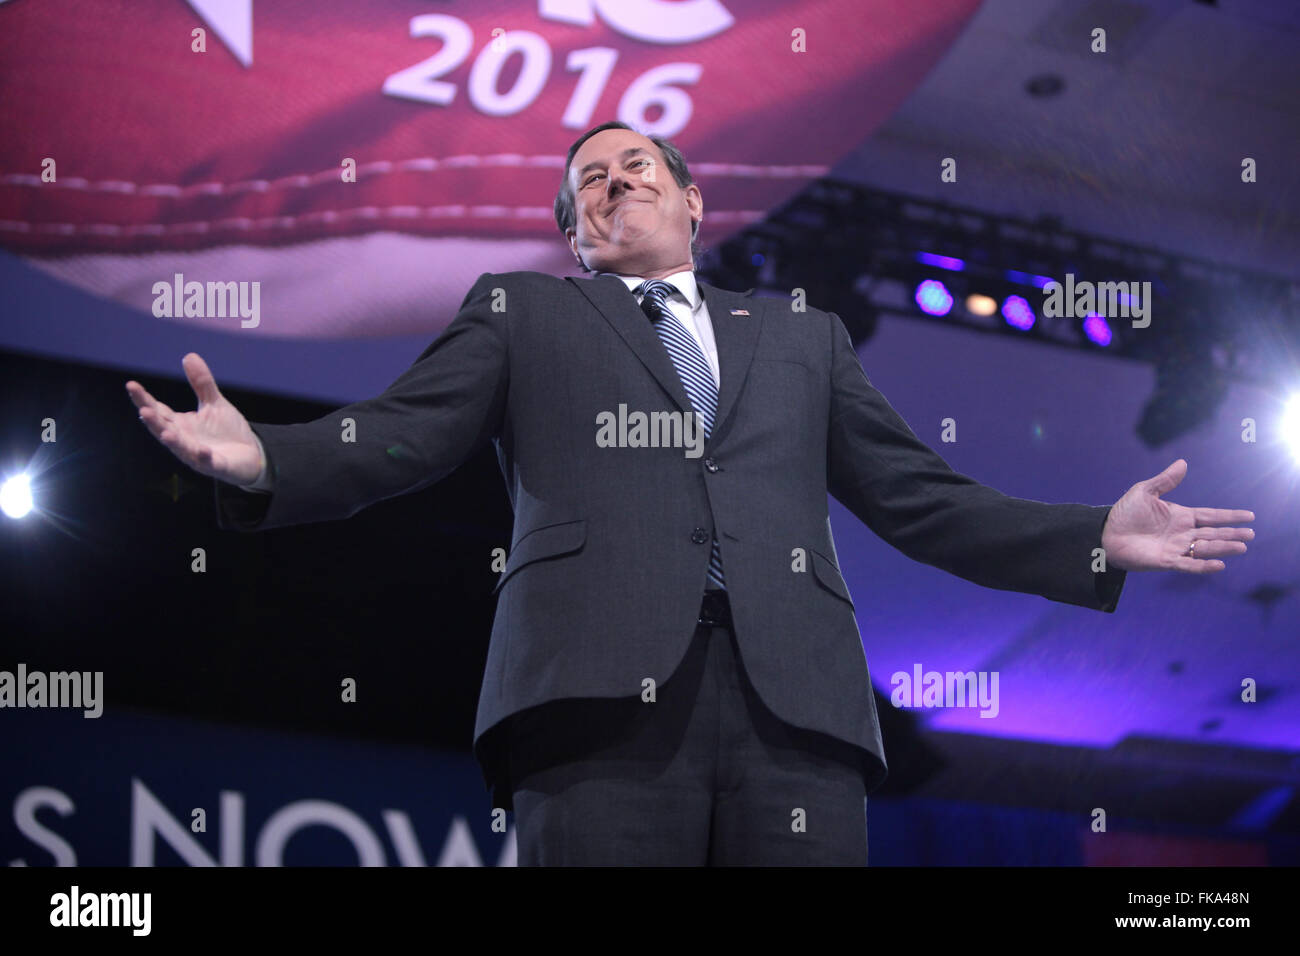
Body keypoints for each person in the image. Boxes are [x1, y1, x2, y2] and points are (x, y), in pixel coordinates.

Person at [126, 120, 1255, 866]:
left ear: (693, 201)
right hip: (593, 698)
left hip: (797, 710)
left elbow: (917, 495)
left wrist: (1089, 535)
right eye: (589, 184)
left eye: (635, 169)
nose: (614, 184)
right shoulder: (522, 309)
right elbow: (407, 433)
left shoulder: (801, 336)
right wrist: (272, 456)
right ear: (571, 232)